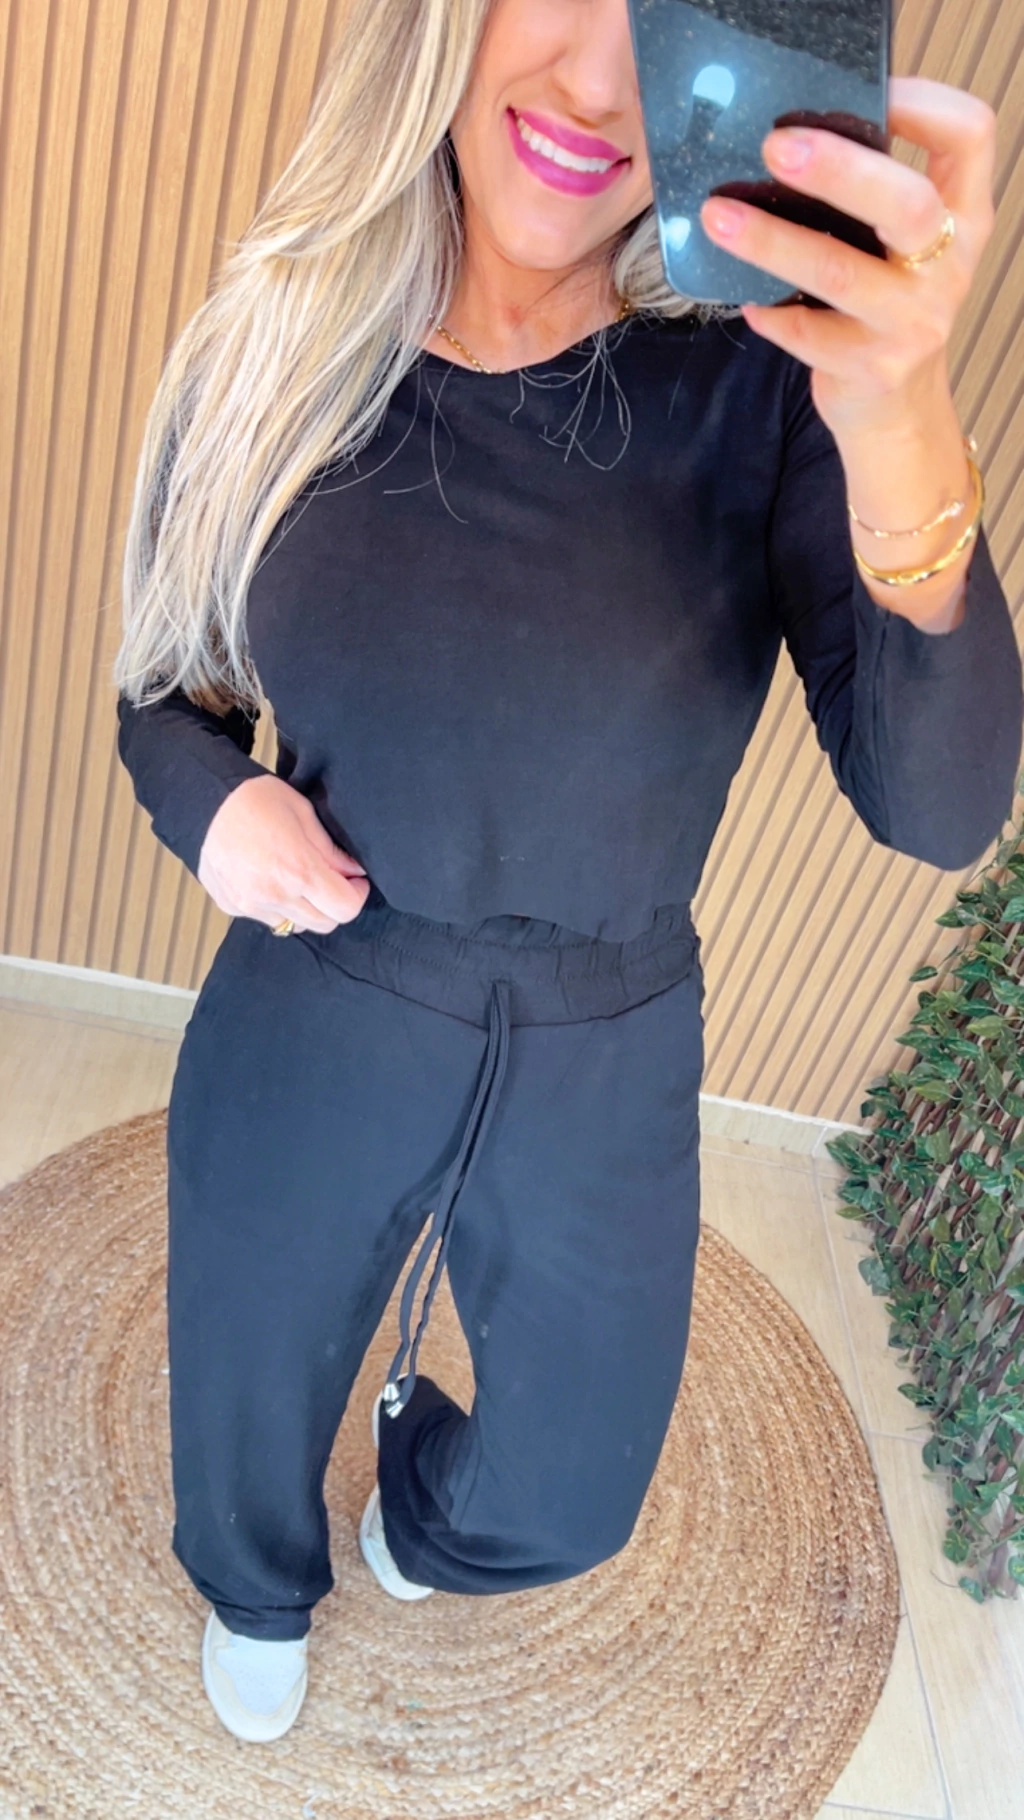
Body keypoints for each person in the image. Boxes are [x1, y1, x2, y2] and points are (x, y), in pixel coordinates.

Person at [114, 0, 1022, 1747]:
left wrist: (900, 411)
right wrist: (215, 808)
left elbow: (938, 807)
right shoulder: (277, 336)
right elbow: (169, 693)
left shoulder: (770, 386)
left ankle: (422, 1519)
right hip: (324, 985)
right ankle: (253, 1582)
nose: (604, 84)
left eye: (670, 8)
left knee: (571, 1486)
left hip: (610, 1021)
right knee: (245, 1353)